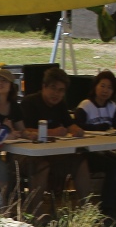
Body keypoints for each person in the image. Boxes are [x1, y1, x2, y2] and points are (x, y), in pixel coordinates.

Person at [18, 67, 91, 215]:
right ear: (44, 87)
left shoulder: (60, 105)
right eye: (53, 88)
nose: (56, 94)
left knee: (80, 162)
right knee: (42, 166)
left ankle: (88, 212)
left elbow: (70, 125)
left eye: (61, 90)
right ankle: (35, 215)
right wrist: (53, 132)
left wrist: (78, 130)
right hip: (29, 156)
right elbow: (24, 131)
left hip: (56, 154)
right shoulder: (29, 102)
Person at [74, 71, 116, 214]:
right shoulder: (85, 106)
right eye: (102, 86)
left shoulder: (112, 106)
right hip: (87, 152)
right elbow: (77, 126)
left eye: (109, 88)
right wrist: (96, 127)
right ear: (95, 87)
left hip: (105, 149)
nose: (105, 90)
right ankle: (107, 207)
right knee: (113, 166)